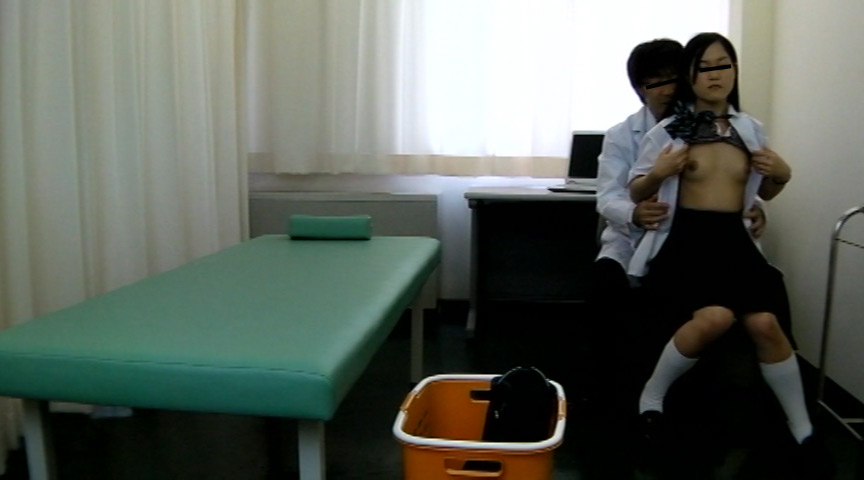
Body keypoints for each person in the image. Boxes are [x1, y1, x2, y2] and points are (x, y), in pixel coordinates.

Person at [627, 33, 819, 457]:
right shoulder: (669, 131)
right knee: (714, 319)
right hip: (687, 242)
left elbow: (764, 193)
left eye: (723, 65)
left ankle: (803, 429)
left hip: (735, 242)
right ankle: (651, 397)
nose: (715, 75)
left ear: (734, 71)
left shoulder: (751, 130)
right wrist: (658, 173)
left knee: (765, 324)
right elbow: (637, 191)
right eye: (705, 67)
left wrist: (782, 174)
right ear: (690, 76)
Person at [591, 39, 768, 411]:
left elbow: (730, 181)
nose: (667, 89)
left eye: (673, 79)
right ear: (639, 89)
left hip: (690, 243)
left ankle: (693, 391)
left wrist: (756, 207)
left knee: (721, 303)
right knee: (608, 288)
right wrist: (635, 213)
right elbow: (607, 196)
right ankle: (612, 395)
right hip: (629, 240)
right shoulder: (623, 135)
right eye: (654, 83)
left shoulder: (707, 125)